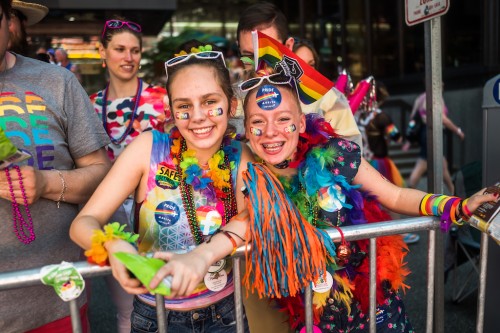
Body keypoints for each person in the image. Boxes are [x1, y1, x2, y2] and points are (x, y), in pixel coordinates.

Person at [142, 68, 497, 333]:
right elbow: (244, 222)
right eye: (258, 123)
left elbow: (397, 194)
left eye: (283, 119)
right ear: (247, 130)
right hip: (308, 317)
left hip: (373, 307)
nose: (271, 133)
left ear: (300, 120)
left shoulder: (336, 154)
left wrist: (457, 206)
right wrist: (200, 255)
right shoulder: (250, 175)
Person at [70, 42, 254, 332]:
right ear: (170, 110)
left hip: (226, 314)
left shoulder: (239, 156)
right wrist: (113, 245)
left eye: (209, 101)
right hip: (157, 316)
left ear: (231, 105)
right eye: (184, 106)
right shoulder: (148, 148)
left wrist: (203, 255)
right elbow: (82, 223)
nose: (197, 116)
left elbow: (252, 217)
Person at [0, 0, 112, 332]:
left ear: (9, 23)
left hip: (57, 299)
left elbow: (99, 173)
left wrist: (46, 183)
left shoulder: (57, 82)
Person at [90, 17, 171, 332]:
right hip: (111, 213)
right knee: (126, 307)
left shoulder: (163, 101)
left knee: (165, 298)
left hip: (158, 210)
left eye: (135, 51)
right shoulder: (90, 106)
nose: (128, 57)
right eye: (120, 49)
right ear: (103, 52)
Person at [235, 1, 362, 148]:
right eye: (249, 57)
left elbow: (352, 159)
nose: (259, 67)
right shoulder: (231, 102)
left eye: (267, 54)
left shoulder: (326, 98)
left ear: (288, 46)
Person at [355, 83, 419, 244]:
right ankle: (399, 232)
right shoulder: (381, 117)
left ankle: (371, 234)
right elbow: (395, 135)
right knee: (391, 196)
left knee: (366, 200)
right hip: (379, 162)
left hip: (361, 161)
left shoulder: (356, 114)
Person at [406, 89, 465, 195]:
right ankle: (410, 189)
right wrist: (458, 130)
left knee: (442, 165)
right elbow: (443, 119)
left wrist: (409, 141)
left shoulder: (421, 98)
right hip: (433, 133)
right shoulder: (436, 98)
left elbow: (413, 117)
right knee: (423, 162)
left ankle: (453, 191)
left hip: (425, 133)